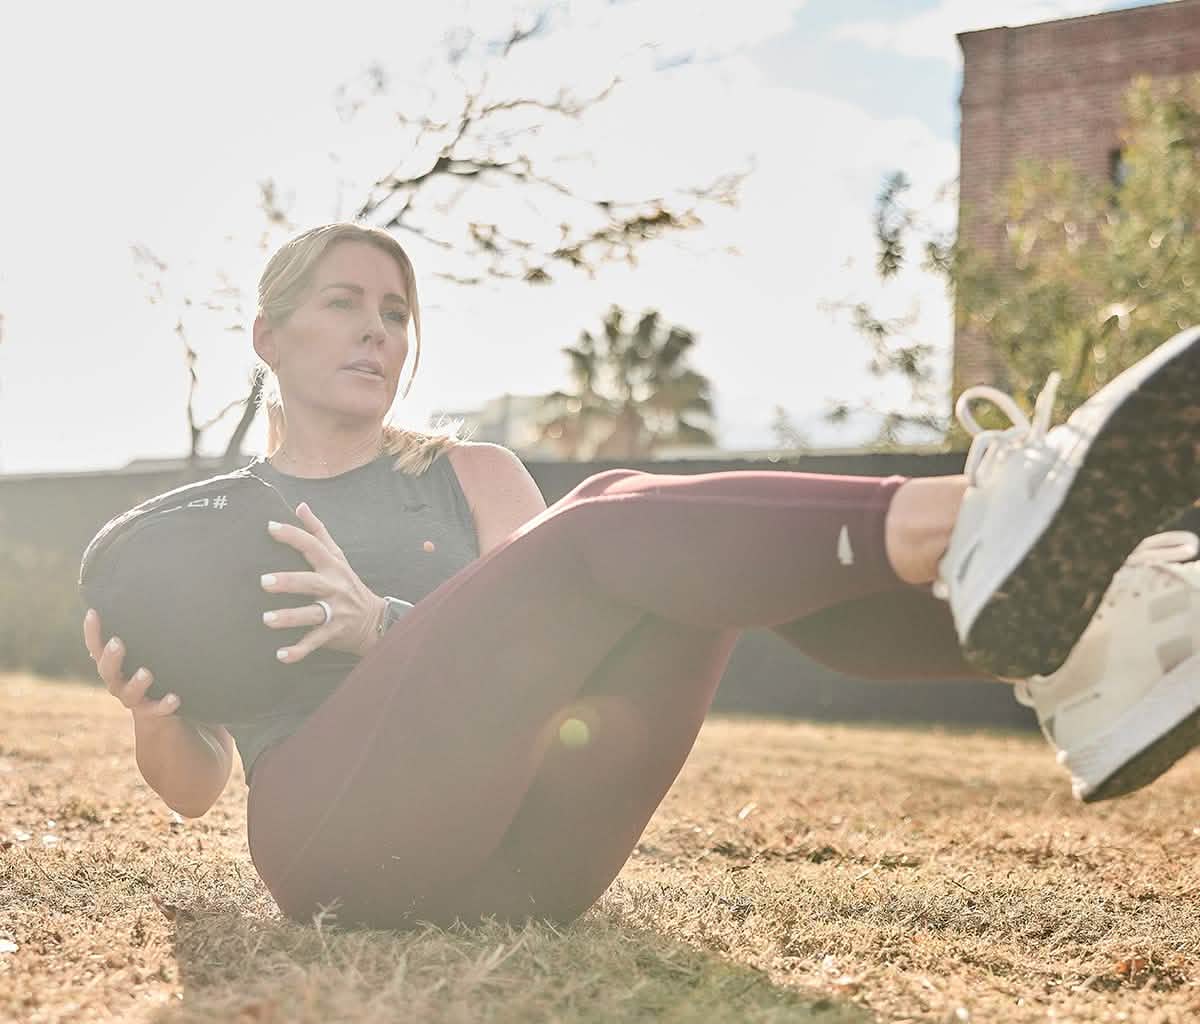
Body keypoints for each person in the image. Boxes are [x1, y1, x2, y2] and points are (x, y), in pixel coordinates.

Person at [81, 223, 1200, 931]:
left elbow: (556, 648)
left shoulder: (471, 473)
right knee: (605, 512)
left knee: (631, 540)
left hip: (535, 871)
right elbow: (196, 785)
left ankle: (1084, 647)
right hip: (339, 855)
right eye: (344, 303)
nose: (378, 332)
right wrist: (148, 713)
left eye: (395, 313)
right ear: (268, 335)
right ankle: (984, 527)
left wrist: (384, 622)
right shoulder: (214, 529)